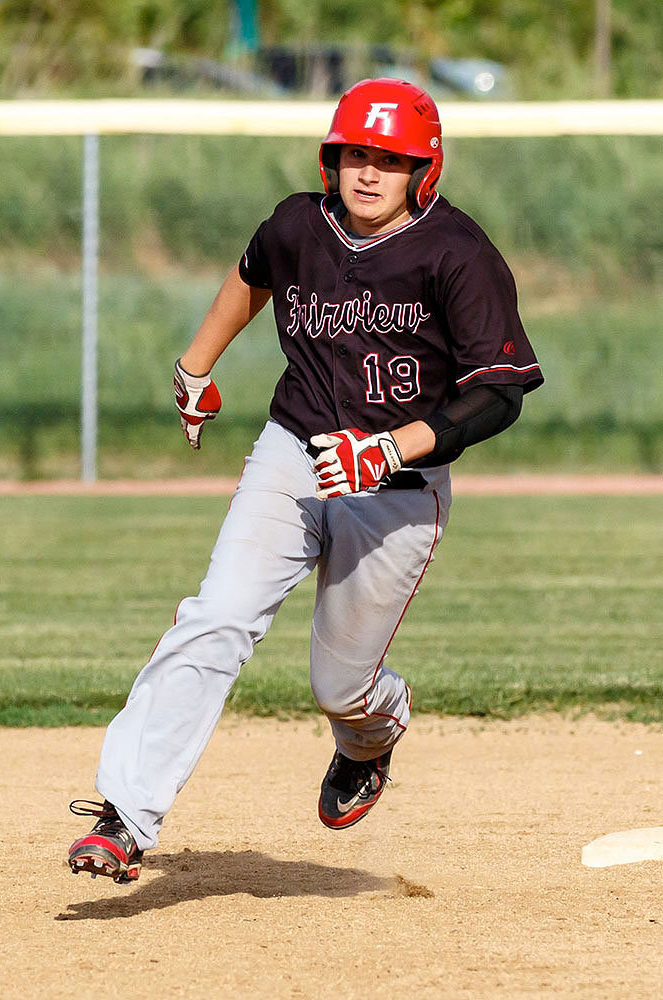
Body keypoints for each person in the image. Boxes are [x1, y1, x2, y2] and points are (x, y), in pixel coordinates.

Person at [68, 78, 544, 884]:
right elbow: (254, 275)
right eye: (355, 153)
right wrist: (194, 366)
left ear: (423, 170)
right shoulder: (301, 224)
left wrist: (393, 449)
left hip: (396, 492)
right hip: (293, 452)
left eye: (389, 160)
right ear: (332, 158)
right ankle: (125, 812)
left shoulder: (457, 253)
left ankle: (373, 734)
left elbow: (499, 391)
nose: (368, 174)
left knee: (340, 685)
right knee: (215, 617)